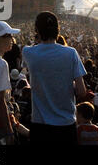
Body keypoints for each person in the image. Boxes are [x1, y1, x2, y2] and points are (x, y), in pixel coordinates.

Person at [22, 11, 87, 145]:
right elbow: (81, 91)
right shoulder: (71, 53)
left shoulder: (28, 52)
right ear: (58, 30)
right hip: (66, 124)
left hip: (40, 125)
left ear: (37, 31)